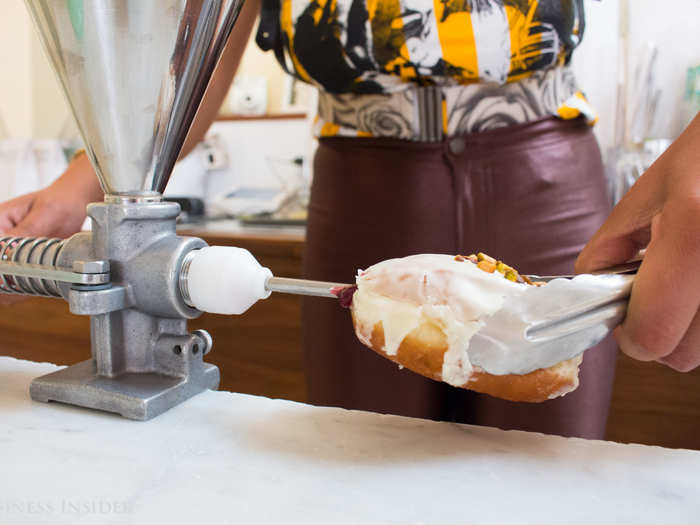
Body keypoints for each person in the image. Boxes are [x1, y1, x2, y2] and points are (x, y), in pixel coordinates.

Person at [0, 1, 697, 439]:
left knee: (546, 474)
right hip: (363, 187)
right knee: (364, 457)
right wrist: (77, 189)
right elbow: (204, 57)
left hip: (542, 178)